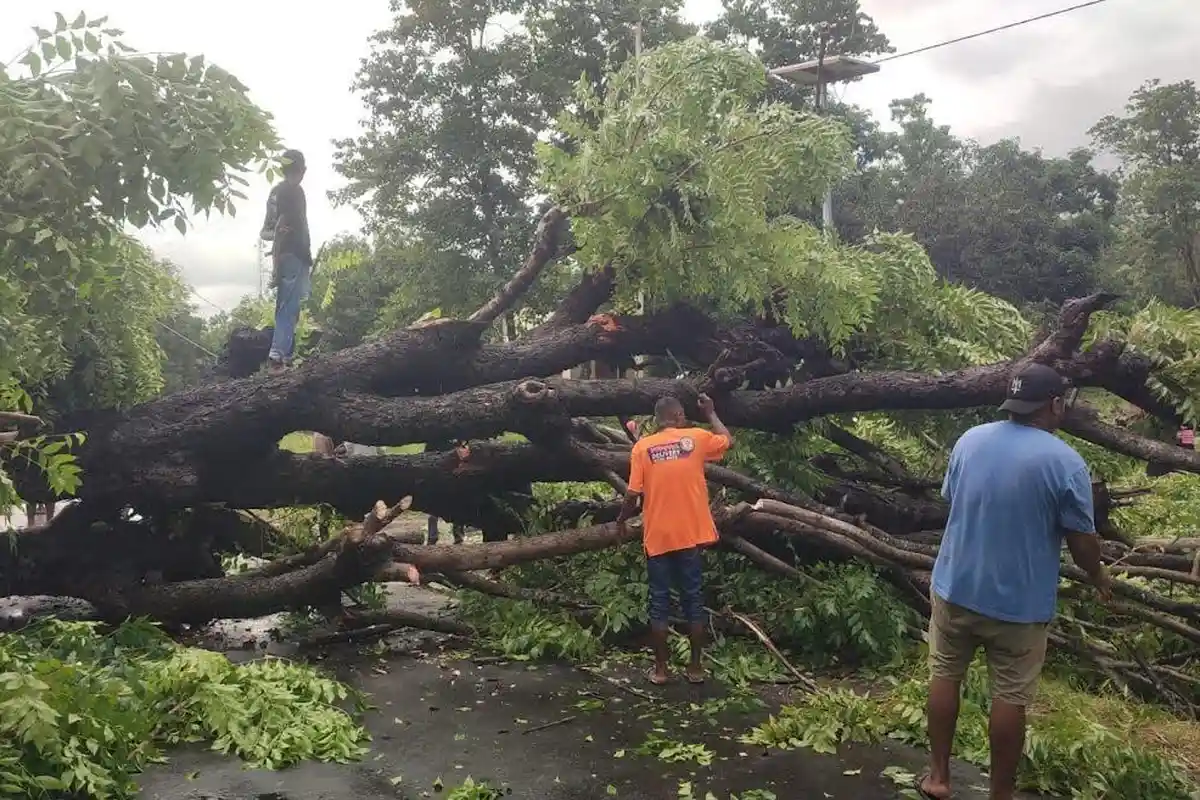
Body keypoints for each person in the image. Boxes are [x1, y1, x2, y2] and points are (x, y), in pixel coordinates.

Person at [918, 363, 1111, 800]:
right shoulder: (1066, 463)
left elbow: (955, 500)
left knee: (945, 675)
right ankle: (1000, 795)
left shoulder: (970, 439)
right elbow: (1083, 546)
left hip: (956, 586)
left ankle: (939, 778)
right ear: (1055, 405)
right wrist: (1099, 577)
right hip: (1020, 606)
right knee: (1009, 697)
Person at [616, 393, 732, 685]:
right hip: (690, 536)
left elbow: (632, 494)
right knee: (693, 599)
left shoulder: (643, 447)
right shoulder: (695, 439)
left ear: (657, 420)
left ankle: (661, 670)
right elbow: (727, 439)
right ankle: (695, 669)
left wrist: (620, 520)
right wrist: (711, 412)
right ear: (679, 416)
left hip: (658, 537)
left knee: (659, 602)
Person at [266, 149, 314, 373]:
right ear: (300, 170)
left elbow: (266, 231)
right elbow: (278, 228)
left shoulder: (276, 192)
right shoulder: (292, 191)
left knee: (291, 305)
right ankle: (278, 357)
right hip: (293, 253)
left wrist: (276, 263)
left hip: (291, 254)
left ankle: (283, 356)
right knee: (289, 306)